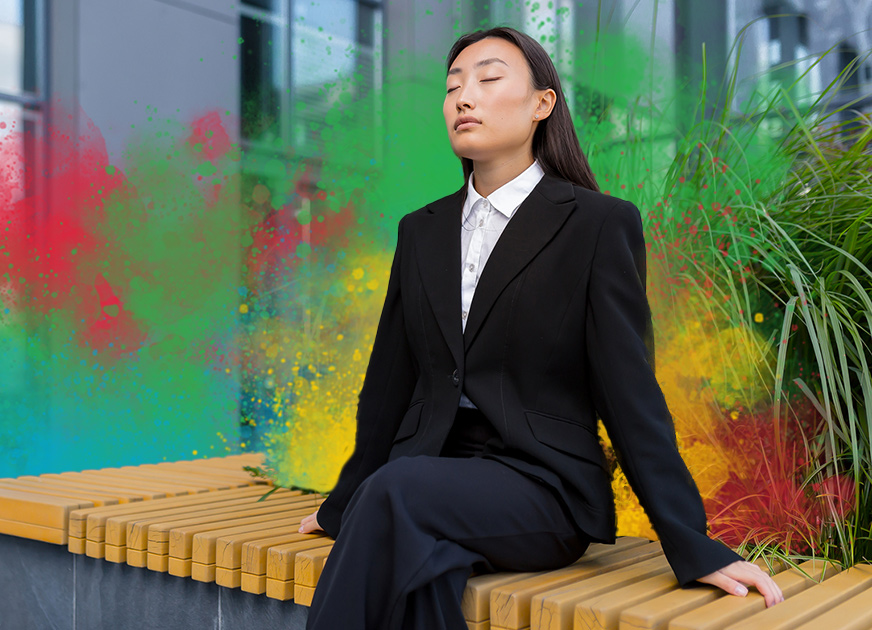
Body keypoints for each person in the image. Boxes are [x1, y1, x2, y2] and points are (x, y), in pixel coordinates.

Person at [295, 26, 784, 630]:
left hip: (542, 485)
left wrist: (691, 542)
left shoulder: (596, 225)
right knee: (426, 565)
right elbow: (389, 384)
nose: (464, 98)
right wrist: (347, 500)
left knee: (398, 496)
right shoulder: (420, 231)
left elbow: (630, 394)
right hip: (430, 477)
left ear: (541, 105)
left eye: (488, 79)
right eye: (453, 87)